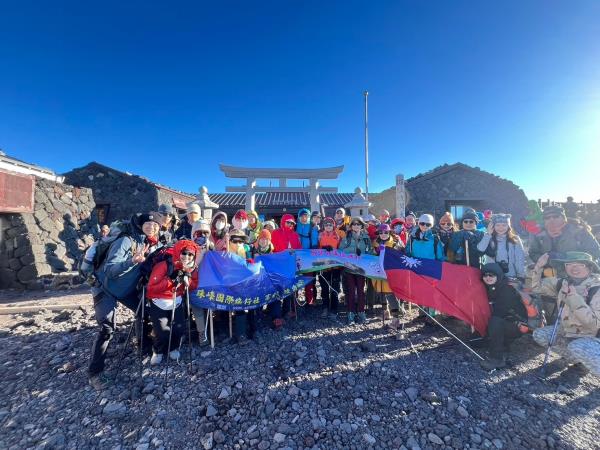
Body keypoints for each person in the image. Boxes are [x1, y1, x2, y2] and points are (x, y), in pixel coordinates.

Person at [88, 213, 162, 387]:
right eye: (148, 223)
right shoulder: (126, 241)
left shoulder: (151, 244)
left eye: (155, 225)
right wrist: (132, 261)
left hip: (125, 289)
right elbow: (110, 270)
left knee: (144, 309)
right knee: (107, 328)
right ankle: (95, 374)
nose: (151, 226)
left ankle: (142, 345)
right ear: (141, 225)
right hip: (105, 287)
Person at [531, 252, 600, 376]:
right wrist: (539, 266)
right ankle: (577, 360)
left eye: (580, 265)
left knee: (576, 346)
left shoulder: (597, 289)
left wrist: (573, 297)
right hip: (568, 330)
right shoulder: (562, 283)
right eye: (569, 264)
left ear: (590, 267)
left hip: (592, 336)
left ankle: (585, 357)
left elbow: (594, 325)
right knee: (540, 335)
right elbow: (536, 288)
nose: (574, 268)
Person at [146, 239, 199, 364]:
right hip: (159, 303)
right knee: (162, 331)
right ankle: (158, 351)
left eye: (190, 254)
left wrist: (188, 281)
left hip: (177, 302)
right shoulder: (164, 265)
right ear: (178, 252)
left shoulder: (191, 269)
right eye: (184, 253)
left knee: (179, 329)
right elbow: (151, 288)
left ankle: (173, 348)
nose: (187, 257)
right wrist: (171, 280)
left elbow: (193, 286)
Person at [479, 263, 527, 370]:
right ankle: (504, 344)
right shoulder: (492, 287)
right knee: (493, 323)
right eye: (485, 275)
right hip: (508, 321)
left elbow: (500, 312)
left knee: (495, 322)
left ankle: (497, 359)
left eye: (491, 275)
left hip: (519, 325)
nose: (488, 278)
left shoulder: (507, 289)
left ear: (498, 275)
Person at [529, 205, 600, 264]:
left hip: (576, 272)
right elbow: (533, 253)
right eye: (547, 218)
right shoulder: (539, 234)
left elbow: (595, 251)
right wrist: (546, 260)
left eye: (556, 216)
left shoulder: (579, 231)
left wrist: (569, 259)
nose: (551, 220)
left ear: (564, 218)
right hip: (549, 273)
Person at [339, 217, 373, 325]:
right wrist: (352, 252)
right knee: (351, 291)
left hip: (361, 269)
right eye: (354, 224)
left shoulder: (366, 238)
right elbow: (340, 251)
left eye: (358, 224)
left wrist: (365, 254)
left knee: (361, 291)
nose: (356, 226)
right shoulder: (347, 237)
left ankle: (361, 312)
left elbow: (370, 252)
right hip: (349, 268)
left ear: (362, 226)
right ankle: (351, 313)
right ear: (351, 226)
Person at [477, 214, 526, 284]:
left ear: (508, 226)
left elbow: (519, 258)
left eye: (504, 225)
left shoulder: (515, 239)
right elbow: (480, 249)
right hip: (492, 276)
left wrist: (520, 275)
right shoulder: (488, 237)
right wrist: (488, 234)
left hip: (511, 275)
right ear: (493, 226)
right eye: (498, 225)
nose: (501, 228)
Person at [270, 214, 302, 322]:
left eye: (292, 223)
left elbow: (299, 250)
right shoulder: (275, 233)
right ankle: (276, 316)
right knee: (277, 290)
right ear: (283, 222)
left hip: (290, 266)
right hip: (277, 266)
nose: (290, 225)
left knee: (289, 290)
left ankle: (286, 311)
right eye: (288, 222)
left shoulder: (295, 235)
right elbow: (272, 248)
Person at [372, 223, 405, 328]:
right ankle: (386, 312)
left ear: (389, 232)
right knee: (382, 292)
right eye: (381, 232)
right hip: (378, 272)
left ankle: (396, 318)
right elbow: (371, 255)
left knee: (390, 294)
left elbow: (402, 255)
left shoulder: (395, 242)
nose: (383, 234)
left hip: (392, 272)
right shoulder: (375, 243)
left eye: (386, 232)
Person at [190, 219, 213, 345]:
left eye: (205, 233)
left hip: (208, 280)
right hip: (194, 281)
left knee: (208, 306)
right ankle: (201, 332)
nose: (202, 236)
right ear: (193, 233)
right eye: (199, 233)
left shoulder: (211, 245)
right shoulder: (188, 246)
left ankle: (210, 328)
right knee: (197, 307)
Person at [318, 217, 342, 319]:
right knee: (324, 287)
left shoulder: (337, 236)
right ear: (324, 226)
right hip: (323, 264)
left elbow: (341, 249)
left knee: (335, 287)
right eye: (326, 225)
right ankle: (325, 307)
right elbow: (316, 248)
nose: (328, 227)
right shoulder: (320, 235)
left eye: (330, 225)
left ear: (333, 226)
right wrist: (322, 248)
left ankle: (334, 308)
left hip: (335, 264)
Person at [297, 208, 320, 305]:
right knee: (296, 279)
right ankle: (295, 301)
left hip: (308, 257)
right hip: (297, 256)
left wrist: (314, 255)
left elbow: (314, 242)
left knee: (309, 280)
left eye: (306, 216)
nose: (304, 218)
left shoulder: (312, 227)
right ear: (299, 217)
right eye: (302, 216)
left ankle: (310, 300)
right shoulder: (295, 227)